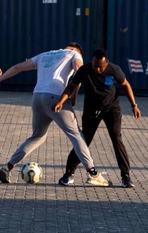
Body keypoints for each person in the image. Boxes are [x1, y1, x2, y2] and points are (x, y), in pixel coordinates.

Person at [0, 43, 111, 186]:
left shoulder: (45, 55)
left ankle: (8, 166)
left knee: (37, 136)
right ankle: (93, 173)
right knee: (76, 134)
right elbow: (79, 72)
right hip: (55, 97)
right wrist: (73, 96)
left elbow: (18, 67)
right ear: (77, 50)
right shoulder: (74, 54)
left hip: (37, 98)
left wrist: (1, 78)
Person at [53, 48, 141, 188]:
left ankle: (126, 176)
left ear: (107, 63)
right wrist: (61, 101)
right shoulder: (85, 70)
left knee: (116, 138)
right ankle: (68, 174)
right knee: (83, 140)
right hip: (91, 109)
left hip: (111, 108)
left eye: (100, 67)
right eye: (95, 65)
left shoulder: (114, 70)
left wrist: (134, 105)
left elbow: (125, 85)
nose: (97, 69)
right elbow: (72, 85)